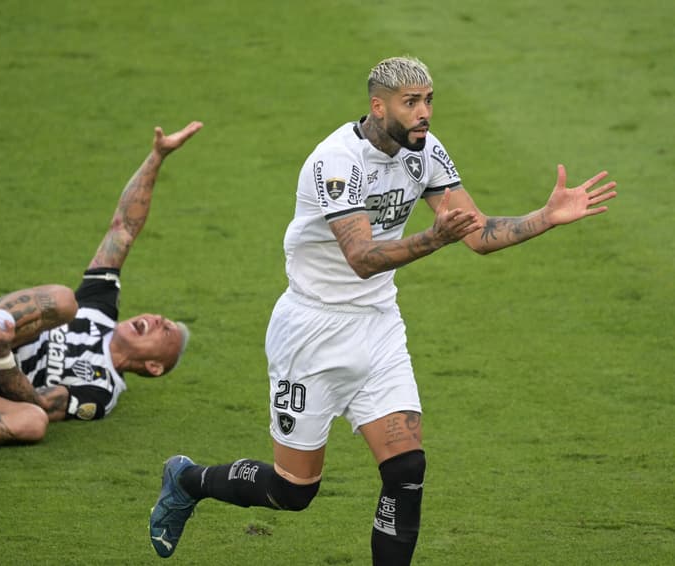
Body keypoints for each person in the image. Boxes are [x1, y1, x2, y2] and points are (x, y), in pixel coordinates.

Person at [149, 57, 617, 564]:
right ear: (379, 105)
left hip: (377, 328)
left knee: (406, 468)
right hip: (312, 331)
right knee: (293, 491)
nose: (425, 113)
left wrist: (544, 217)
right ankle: (187, 479)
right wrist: (432, 238)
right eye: (411, 103)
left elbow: (477, 235)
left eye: (429, 100)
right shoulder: (336, 161)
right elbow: (362, 259)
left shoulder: (426, 153)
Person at [0, 121, 204, 447]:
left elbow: (43, 403)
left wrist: (2, 357)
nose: (159, 320)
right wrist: (157, 157)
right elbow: (123, 231)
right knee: (65, 300)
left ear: (154, 367)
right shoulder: (99, 308)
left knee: (33, 423)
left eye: (166, 331)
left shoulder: (101, 392)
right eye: (163, 320)